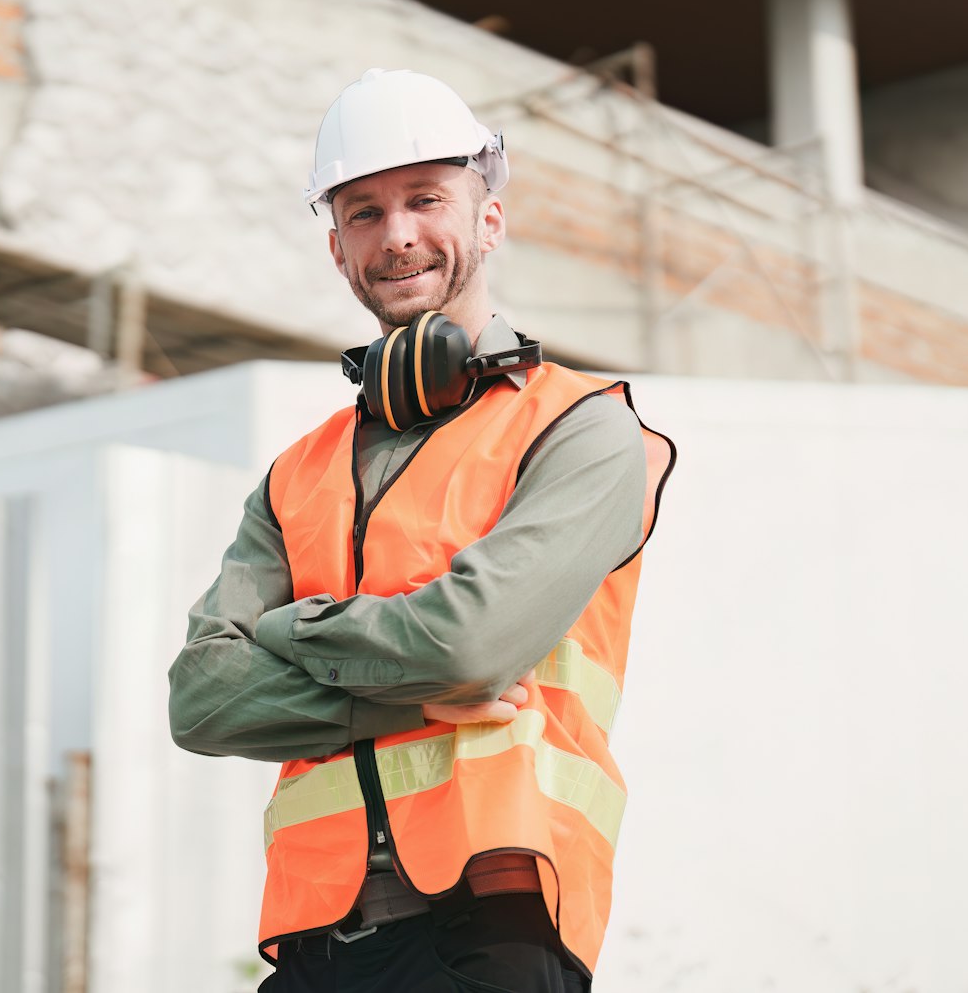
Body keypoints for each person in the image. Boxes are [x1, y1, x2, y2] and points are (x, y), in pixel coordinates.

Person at [167, 68, 675, 992]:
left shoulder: (582, 426)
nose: (397, 234)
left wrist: (288, 629)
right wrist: (407, 697)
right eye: (363, 212)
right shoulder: (298, 471)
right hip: (319, 943)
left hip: (493, 928)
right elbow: (201, 699)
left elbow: (469, 647)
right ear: (336, 249)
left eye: (425, 200)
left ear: (489, 220)